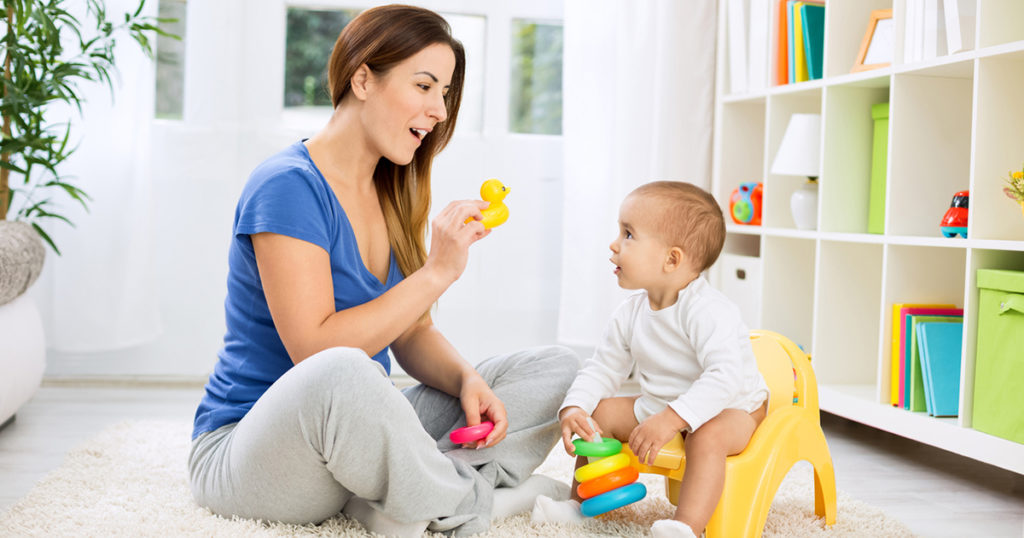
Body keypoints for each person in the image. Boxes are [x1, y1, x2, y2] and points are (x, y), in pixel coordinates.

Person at [187, 5, 577, 537]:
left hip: (349, 434)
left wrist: (468, 380)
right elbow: (315, 354)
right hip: (249, 451)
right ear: (363, 78)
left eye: (445, 93)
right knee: (346, 371)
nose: (439, 110)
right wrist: (436, 273)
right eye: (424, 85)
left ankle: (408, 498)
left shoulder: (392, 189)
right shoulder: (287, 186)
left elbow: (411, 331)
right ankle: (474, 500)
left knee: (553, 367)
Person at [531, 181, 769, 538]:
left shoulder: (708, 311)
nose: (614, 244)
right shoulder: (630, 313)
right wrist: (575, 407)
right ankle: (580, 506)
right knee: (601, 415)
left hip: (732, 407)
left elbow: (725, 378)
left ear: (671, 259)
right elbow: (603, 368)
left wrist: (672, 419)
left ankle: (685, 525)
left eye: (628, 234)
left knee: (706, 435)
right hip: (664, 403)